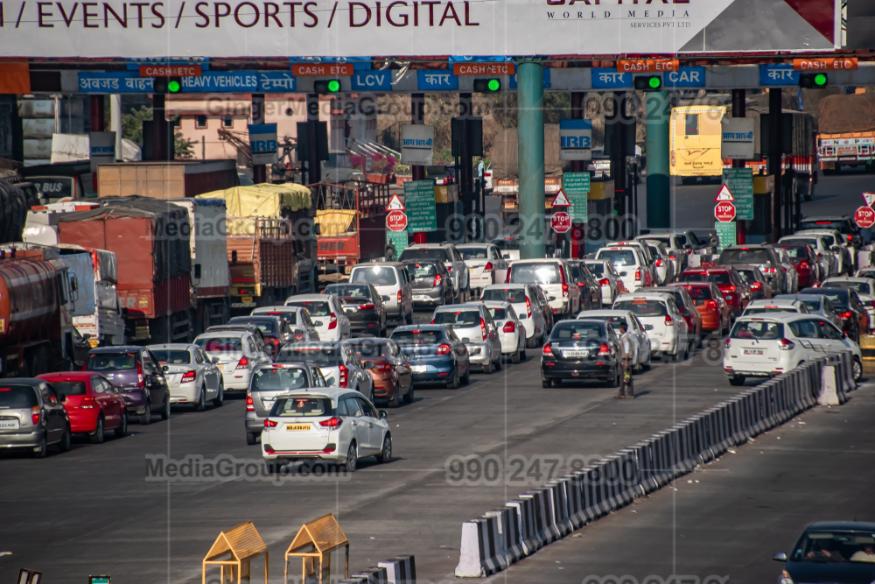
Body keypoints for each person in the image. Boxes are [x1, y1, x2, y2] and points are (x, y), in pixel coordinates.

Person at [617, 321, 635, 399]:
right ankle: (622, 393)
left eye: (620, 328)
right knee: (624, 377)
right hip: (624, 360)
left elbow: (627, 351)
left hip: (625, 360)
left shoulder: (625, 338)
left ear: (622, 329)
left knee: (626, 377)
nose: (619, 329)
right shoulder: (624, 337)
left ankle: (628, 394)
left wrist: (626, 362)